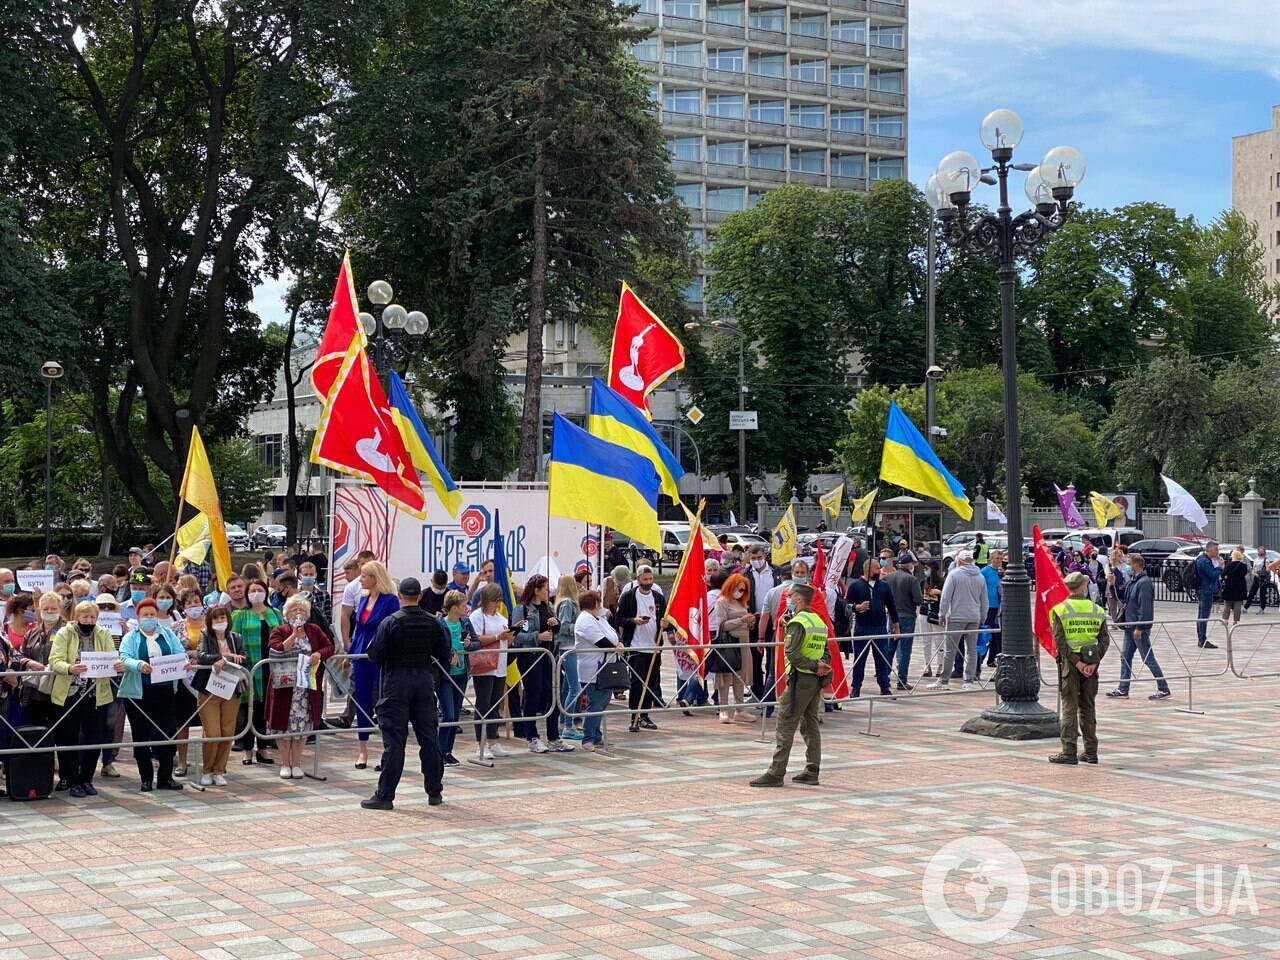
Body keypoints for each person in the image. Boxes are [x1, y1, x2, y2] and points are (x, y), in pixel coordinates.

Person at [361, 578, 451, 810]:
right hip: (423, 681)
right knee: (429, 739)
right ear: (419, 596)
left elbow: (374, 654)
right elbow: (444, 654)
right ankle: (434, 792)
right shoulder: (434, 623)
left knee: (395, 742)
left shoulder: (391, 622)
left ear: (400, 596)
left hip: (396, 684)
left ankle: (385, 795)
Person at [749, 584, 831, 788]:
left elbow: (792, 654)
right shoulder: (818, 621)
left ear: (799, 600)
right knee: (810, 724)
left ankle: (776, 772)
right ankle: (812, 770)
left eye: (791, 596)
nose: (788, 599)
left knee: (785, 723)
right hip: (815, 680)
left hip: (800, 679)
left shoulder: (799, 622)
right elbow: (825, 651)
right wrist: (820, 666)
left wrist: (813, 666)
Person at [48, 600, 121, 797]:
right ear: (77, 617)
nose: (88, 620)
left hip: (96, 694)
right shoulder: (65, 633)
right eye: (84, 616)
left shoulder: (103, 633)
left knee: (94, 737)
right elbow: (54, 661)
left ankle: (86, 778)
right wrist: (70, 668)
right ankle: (70, 779)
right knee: (67, 738)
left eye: (92, 617)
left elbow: (111, 657)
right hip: (69, 693)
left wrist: (117, 665)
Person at [117, 599, 187, 791]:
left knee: (166, 734)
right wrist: (138, 665)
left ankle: (165, 777)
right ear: (138, 617)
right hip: (139, 693)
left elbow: (181, 653)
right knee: (141, 735)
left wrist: (184, 662)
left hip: (165, 691)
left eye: (152, 615)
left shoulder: (168, 633)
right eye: (145, 615)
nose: (149, 618)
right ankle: (145, 778)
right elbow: (124, 657)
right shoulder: (130, 637)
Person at [266, 595, 334, 779]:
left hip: (306, 688)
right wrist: (293, 636)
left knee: (302, 727)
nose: (298, 613)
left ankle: (296, 764)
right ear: (287, 613)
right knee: (284, 727)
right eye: (294, 610)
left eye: (302, 610)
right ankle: (285, 763)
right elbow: (276, 649)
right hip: (285, 687)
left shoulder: (314, 630)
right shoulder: (280, 630)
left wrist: (318, 654)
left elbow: (330, 647)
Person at [1049, 571, 1111, 765]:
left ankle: (1069, 752)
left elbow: (1060, 642)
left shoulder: (1060, 610)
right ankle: (1091, 752)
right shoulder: (1097, 610)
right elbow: (1104, 640)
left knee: (1069, 707)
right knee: (1088, 707)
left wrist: (1078, 663)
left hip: (1071, 664)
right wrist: (1092, 663)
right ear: (1083, 587)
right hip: (1091, 665)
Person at [509, 575, 572, 753]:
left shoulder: (549, 607)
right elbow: (518, 634)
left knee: (553, 694)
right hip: (531, 656)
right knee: (533, 694)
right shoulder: (523, 610)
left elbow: (556, 629)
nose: (547, 592)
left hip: (549, 656)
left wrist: (556, 624)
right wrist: (537, 636)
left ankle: (553, 736)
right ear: (536, 590)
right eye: (545, 589)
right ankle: (532, 736)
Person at [350, 560, 399, 769]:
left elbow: (392, 629)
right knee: (361, 700)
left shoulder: (390, 601)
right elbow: (358, 628)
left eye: (364, 575)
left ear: (375, 578)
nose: (360, 579)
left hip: (380, 656)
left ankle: (388, 751)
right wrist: (350, 654)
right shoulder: (363, 598)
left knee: (384, 702)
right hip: (361, 654)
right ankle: (363, 750)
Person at [193, 604, 249, 786]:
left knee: (227, 732)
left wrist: (229, 658)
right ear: (210, 621)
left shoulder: (236, 638)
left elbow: (244, 657)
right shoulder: (205, 636)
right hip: (209, 690)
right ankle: (207, 770)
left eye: (222, 618)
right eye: (216, 618)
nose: (220, 622)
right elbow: (201, 655)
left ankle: (219, 770)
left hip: (231, 690)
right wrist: (221, 659)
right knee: (212, 733)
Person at [231, 579, 282, 766]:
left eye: (259, 590)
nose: (256, 593)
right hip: (249, 667)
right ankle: (247, 750)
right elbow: (234, 641)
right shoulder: (240, 615)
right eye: (252, 590)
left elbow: (283, 634)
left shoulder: (275, 613)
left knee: (264, 709)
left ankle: (263, 748)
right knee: (248, 708)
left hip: (270, 667)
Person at [1105, 554, 1170, 701]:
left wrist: (1140, 627)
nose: (1127, 565)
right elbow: (1123, 596)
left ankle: (1163, 687)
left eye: (1129, 563)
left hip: (1137, 627)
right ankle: (1123, 688)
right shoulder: (1134, 581)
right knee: (1125, 657)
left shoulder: (1144, 583)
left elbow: (1145, 607)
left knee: (1148, 658)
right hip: (1129, 626)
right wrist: (1113, 583)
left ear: (1136, 565)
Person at [467, 583, 514, 764]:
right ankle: (481, 743)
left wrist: (510, 636)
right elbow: (476, 638)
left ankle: (493, 740)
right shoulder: (477, 617)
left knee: (495, 704)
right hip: (485, 666)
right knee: (483, 704)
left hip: (500, 665)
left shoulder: (501, 617)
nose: (498, 604)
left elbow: (505, 639)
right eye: (495, 600)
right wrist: (497, 637)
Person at [616, 565, 666, 732]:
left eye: (650, 579)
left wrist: (666, 625)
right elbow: (619, 619)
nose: (648, 583)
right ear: (638, 580)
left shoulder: (658, 598)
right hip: (636, 646)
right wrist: (633, 621)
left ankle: (645, 714)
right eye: (645, 580)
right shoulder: (629, 596)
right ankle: (634, 716)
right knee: (637, 683)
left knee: (651, 682)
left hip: (654, 647)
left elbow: (665, 618)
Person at [930, 550, 988, 690]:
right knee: (972, 650)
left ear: (960, 561)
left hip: (956, 617)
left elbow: (945, 597)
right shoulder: (980, 577)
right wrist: (982, 617)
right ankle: (969, 680)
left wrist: (941, 615)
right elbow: (984, 600)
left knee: (951, 650)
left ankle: (944, 681)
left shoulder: (954, 574)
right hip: (974, 617)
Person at [573, 591, 622, 752]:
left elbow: (612, 635)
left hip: (605, 666)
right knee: (596, 703)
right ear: (595, 603)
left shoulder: (598, 618)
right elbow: (601, 641)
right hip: (592, 668)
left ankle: (596, 735)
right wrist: (615, 647)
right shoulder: (585, 621)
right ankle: (588, 738)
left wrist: (618, 644)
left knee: (602, 701)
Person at [845, 558, 897, 698]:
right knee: (859, 659)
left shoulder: (884, 586)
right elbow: (847, 605)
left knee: (882, 658)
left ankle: (884, 686)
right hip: (862, 627)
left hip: (880, 627)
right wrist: (857, 607)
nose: (879, 570)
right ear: (867, 569)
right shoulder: (855, 586)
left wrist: (896, 627)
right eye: (876, 568)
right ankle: (856, 687)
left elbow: (892, 606)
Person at [436, 590, 473, 765]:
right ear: (454, 608)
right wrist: (449, 653)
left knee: (456, 715)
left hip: (461, 673)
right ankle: (439, 750)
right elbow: (434, 646)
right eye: (464, 606)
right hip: (445, 675)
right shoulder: (440, 624)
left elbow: (476, 643)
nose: (466, 608)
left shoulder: (465, 623)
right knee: (449, 715)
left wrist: (469, 645)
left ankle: (448, 750)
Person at [713, 573, 756, 722]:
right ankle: (723, 709)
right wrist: (741, 620)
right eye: (739, 589)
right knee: (725, 677)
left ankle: (740, 709)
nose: (741, 593)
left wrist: (749, 622)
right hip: (729, 644)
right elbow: (722, 625)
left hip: (744, 643)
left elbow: (743, 623)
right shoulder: (722, 602)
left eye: (744, 590)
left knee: (740, 677)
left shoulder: (742, 602)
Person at [744, 545, 778, 703]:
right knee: (754, 658)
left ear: (765, 556)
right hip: (753, 619)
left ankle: (769, 692)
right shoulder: (745, 574)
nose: (756, 561)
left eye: (759, 558)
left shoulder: (774, 573)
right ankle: (756, 692)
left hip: (772, 619)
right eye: (753, 558)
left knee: (772, 657)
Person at [885, 553, 922, 691]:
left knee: (889, 648)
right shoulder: (911, 579)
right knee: (905, 650)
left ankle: (884, 677)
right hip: (907, 616)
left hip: (892, 617)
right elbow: (918, 599)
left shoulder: (888, 578)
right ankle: (902, 680)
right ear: (908, 564)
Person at [554, 574, 583, 742]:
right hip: (567, 646)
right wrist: (579, 627)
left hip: (569, 646)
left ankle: (564, 721)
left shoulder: (565, 602)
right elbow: (563, 626)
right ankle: (568, 725)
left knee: (567, 687)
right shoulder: (566, 603)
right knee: (575, 687)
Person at [1192, 542, 1222, 649]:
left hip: (1206, 590)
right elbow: (1213, 575)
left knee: (1202, 616)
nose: (1218, 552)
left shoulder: (1205, 560)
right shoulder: (1204, 561)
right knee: (1203, 616)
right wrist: (1219, 567)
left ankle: (1201, 639)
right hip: (1205, 591)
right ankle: (1202, 640)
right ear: (1210, 550)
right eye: (1216, 550)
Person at [918, 562, 944, 679]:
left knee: (939, 641)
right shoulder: (924, 582)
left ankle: (940, 666)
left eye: (927, 568)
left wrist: (940, 593)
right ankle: (927, 666)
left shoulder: (942, 582)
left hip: (936, 613)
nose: (925, 570)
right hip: (924, 613)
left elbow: (948, 597)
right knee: (926, 642)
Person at [979, 550, 1004, 672]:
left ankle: (993, 659)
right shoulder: (985, 572)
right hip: (989, 607)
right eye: (997, 558)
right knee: (986, 634)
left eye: (1001, 558)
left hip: (999, 608)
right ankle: (980, 660)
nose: (999, 561)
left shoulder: (1002, 572)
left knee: (998, 635)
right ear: (991, 559)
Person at [1220, 548, 1249, 627]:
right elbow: (1245, 574)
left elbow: (1223, 574)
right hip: (1240, 587)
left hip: (1229, 586)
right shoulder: (1243, 566)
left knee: (1227, 605)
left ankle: (1225, 620)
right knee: (1237, 605)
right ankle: (1236, 621)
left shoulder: (1229, 565)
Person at [1245, 546, 1271, 614]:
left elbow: (1267, 569)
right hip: (1256, 577)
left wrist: (1267, 569)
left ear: (1264, 552)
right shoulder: (1256, 559)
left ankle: (1262, 608)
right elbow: (1253, 568)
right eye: (1259, 551)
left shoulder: (1266, 560)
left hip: (1263, 578)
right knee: (1252, 592)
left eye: (1262, 551)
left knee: (1262, 594)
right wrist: (1254, 573)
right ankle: (1246, 607)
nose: (1260, 552)